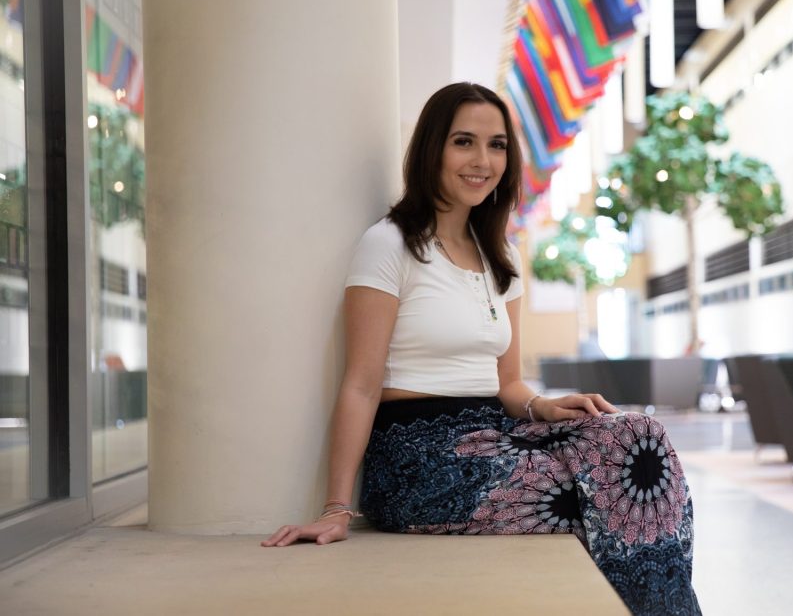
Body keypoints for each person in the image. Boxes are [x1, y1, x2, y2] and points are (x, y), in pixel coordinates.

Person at [262, 82, 701, 616]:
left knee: (640, 440)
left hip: (499, 433)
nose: (482, 160)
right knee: (599, 491)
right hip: (418, 457)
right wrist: (335, 507)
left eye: (496, 146)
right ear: (432, 150)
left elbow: (508, 384)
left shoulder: (501, 256)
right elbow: (360, 382)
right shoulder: (390, 244)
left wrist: (544, 407)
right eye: (464, 142)